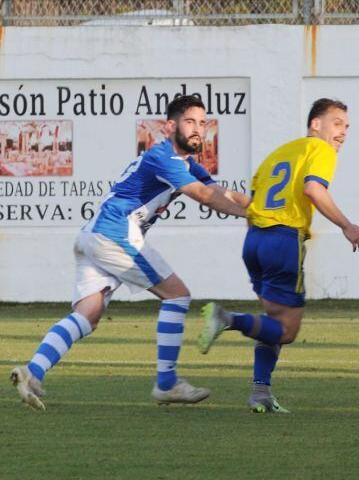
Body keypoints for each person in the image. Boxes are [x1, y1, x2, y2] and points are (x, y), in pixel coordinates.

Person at [10, 95, 251, 411]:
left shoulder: (185, 164)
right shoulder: (164, 158)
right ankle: (166, 384)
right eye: (190, 121)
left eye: (202, 123)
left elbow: (220, 191)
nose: (198, 129)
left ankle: (32, 372)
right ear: (169, 126)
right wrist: (256, 216)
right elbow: (205, 196)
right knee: (177, 295)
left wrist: (258, 205)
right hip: (115, 233)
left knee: (88, 316)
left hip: (93, 234)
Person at [198, 98, 359, 413]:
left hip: (255, 242)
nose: (343, 133)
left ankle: (260, 392)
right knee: (287, 330)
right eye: (337, 123)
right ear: (315, 124)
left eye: (346, 127)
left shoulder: (276, 155)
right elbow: (314, 190)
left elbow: (251, 205)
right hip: (283, 241)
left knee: (272, 322)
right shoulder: (320, 150)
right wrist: (347, 225)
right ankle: (226, 318)